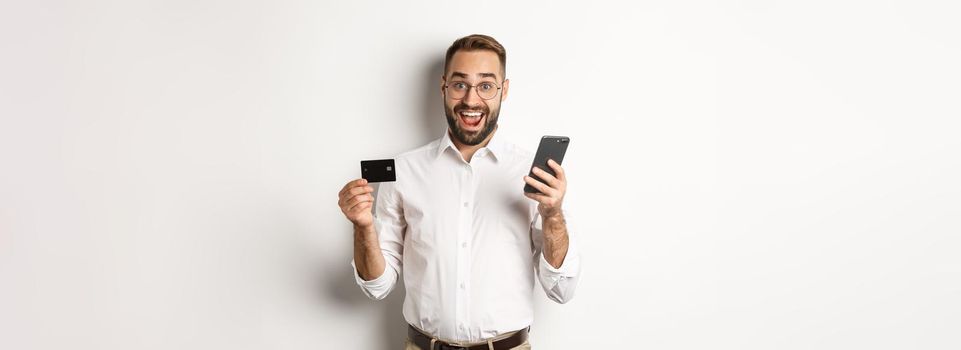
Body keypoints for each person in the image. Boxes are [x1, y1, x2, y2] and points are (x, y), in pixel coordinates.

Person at [337, 34, 581, 350]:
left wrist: (553, 216)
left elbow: (561, 289)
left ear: (503, 90)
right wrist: (363, 227)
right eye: (460, 84)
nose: (471, 99)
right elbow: (377, 287)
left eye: (486, 85)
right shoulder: (404, 171)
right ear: (444, 87)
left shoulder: (535, 175)